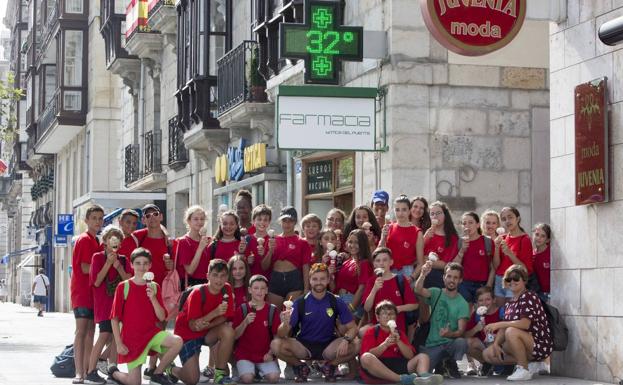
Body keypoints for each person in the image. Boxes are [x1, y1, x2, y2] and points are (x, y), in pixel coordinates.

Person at [271, 263, 360, 382]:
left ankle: (330, 366)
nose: (319, 282)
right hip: (304, 346)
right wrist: (285, 324)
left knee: (357, 344)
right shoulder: (300, 302)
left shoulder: (335, 301)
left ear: (328, 279)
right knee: (276, 345)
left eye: (322, 279)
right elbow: (281, 334)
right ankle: (301, 367)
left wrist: (346, 340)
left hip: (328, 346)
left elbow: (353, 328)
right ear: (310, 280)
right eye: (315, 279)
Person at [108, 248, 183, 385]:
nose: (141, 267)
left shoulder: (154, 287)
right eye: (138, 263)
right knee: (134, 382)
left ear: (150, 265)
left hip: (151, 334)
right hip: (132, 340)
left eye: (145, 263)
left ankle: (158, 373)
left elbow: (161, 317)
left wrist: (153, 298)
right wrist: (119, 343)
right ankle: (114, 372)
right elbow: (114, 318)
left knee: (177, 341)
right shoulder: (123, 286)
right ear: (131, 265)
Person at [482, 265, 553, 381]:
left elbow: (524, 324)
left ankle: (523, 369)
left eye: (516, 278)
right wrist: (496, 344)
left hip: (539, 344)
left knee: (511, 331)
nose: (512, 281)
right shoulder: (509, 303)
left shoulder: (529, 296)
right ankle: (533, 363)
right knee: (488, 354)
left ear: (524, 280)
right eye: (508, 279)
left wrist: (499, 324)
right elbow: (504, 327)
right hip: (525, 343)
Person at [172, 259, 236, 385]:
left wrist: (209, 324)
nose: (219, 280)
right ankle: (172, 369)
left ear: (227, 277)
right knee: (192, 379)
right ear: (207, 276)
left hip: (207, 330)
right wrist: (214, 313)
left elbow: (225, 317)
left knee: (228, 331)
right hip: (187, 334)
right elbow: (193, 327)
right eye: (215, 275)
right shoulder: (197, 293)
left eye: (223, 276)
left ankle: (219, 373)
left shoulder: (226, 289)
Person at [130, 204, 175, 379]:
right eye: (147, 216)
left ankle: (152, 366)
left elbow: (174, 263)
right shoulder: (138, 237)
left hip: (162, 288)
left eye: (155, 214)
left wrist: (170, 265)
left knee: (161, 325)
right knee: (144, 326)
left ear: (161, 216)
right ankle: (138, 365)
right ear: (143, 220)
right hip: (142, 289)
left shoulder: (168, 240)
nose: (152, 218)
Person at [86, 226, 132, 384]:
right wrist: (108, 263)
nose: (114, 243)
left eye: (117, 240)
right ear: (104, 242)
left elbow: (128, 281)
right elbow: (97, 281)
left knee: (116, 338)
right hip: (104, 304)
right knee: (104, 334)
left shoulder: (124, 260)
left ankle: (112, 369)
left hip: (120, 305)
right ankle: (91, 371)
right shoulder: (97, 257)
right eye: (110, 239)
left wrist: (118, 266)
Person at [359, 300, 443, 384]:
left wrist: (399, 341)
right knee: (366, 357)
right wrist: (385, 345)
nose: (388, 316)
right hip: (378, 367)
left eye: (391, 313)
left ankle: (424, 377)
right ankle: (400, 379)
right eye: (384, 313)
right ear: (378, 317)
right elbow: (367, 356)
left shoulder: (400, 333)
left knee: (423, 356)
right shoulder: (371, 331)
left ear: (395, 317)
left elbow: (410, 356)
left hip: (398, 364)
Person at [414, 261, 469, 379]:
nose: (451, 280)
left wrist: (449, 334)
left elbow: (461, 331)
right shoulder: (435, 292)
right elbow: (418, 290)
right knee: (422, 372)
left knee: (461, 342)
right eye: (449, 276)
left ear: (460, 280)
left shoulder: (462, 303)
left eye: (455, 277)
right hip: (431, 345)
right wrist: (423, 274)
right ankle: (441, 364)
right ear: (444, 278)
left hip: (449, 344)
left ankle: (450, 362)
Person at [71, 205, 105, 384]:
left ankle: (86, 370)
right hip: (82, 292)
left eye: (100, 218)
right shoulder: (84, 240)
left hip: (94, 293)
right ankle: (78, 372)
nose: (98, 221)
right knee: (81, 332)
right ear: (86, 220)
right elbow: (84, 267)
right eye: (94, 218)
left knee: (91, 331)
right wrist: (104, 268)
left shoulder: (97, 241)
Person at [233, 275, 281, 384]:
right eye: (256, 288)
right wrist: (245, 322)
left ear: (267, 290)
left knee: (274, 378)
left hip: (264, 354)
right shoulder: (243, 309)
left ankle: (258, 371)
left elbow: (276, 336)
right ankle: (250, 370)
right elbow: (235, 335)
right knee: (247, 379)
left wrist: (270, 353)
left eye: (263, 288)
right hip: (245, 354)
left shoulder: (272, 310)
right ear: (250, 290)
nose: (259, 291)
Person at [362, 247, 418, 335]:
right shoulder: (371, 282)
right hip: (378, 330)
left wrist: (397, 309)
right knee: (362, 332)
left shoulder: (400, 279)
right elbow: (367, 308)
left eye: (385, 260)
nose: (381, 263)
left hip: (397, 329)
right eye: (378, 260)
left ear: (391, 262)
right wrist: (374, 289)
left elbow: (414, 305)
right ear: (374, 264)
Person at [265, 206, 310, 307]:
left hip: (294, 280)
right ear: (280, 222)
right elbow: (264, 266)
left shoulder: (302, 242)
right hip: (276, 279)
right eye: (284, 220)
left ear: (295, 222)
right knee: (274, 314)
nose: (287, 223)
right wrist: (270, 251)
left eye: (291, 220)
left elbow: (305, 267)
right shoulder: (272, 240)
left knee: (291, 315)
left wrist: (306, 288)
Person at [493, 207, 533, 307]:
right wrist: (497, 249)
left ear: (518, 219)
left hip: (514, 280)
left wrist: (510, 253)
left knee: (511, 315)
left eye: (510, 217)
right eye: (504, 219)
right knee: (500, 314)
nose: (507, 221)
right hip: (499, 279)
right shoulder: (502, 238)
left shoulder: (525, 239)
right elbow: (496, 265)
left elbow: (525, 268)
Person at [453, 212, 494, 306]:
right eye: (464, 223)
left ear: (478, 224)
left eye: (470, 222)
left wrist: (489, 285)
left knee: (481, 314)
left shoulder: (487, 242)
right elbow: (454, 266)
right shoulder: (460, 242)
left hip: (482, 284)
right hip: (464, 284)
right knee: (466, 314)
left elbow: (493, 267)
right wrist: (462, 250)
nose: (467, 226)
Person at [379, 195, 424, 280]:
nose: (400, 213)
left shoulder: (417, 232)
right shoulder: (388, 228)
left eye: (404, 209)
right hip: (387, 270)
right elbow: (378, 253)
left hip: (406, 272)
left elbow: (420, 263)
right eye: (397, 210)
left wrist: (411, 278)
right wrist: (383, 238)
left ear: (409, 211)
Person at [332, 229, 372, 319]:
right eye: (350, 241)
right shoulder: (347, 261)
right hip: (340, 300)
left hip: (352, 302)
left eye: (356, 242)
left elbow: (362, 289)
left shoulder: (364, 263)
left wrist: (351, 308)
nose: (352, 245)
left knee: (342, 329)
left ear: (363, 244)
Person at [463, 287, 503, 377]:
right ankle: (487, 364)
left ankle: (508, 364)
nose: (484, 303)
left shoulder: (501, 312)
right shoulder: (477, 315)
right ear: (477, 303)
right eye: (481, 300)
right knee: (467, 342)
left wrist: (497, 337)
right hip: (484, 347)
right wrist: (476, 329)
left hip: (501, 346)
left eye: (488, 299)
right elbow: (465, 335)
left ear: (494, 300)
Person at [422, 202, 458, 288]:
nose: (435, 216)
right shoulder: (423, 233)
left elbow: (445, 264)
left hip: (439, 277)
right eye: (432, 214)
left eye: (439, 213)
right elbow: (416, 255)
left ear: (445, 215)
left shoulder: (452, 238)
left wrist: (425, 259)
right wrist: (425, 238)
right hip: (421, 274)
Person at [177, 206, 211, 288]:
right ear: (188, 221)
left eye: (202, 219)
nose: (199, 222)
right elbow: (190, 271)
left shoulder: (208, 240)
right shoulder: (183, 241)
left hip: (207, 284)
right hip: (191, 285)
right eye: (196, 219)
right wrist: (200, 248)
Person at [247, 204, 274, 279]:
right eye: (259, 219)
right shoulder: (247, 239)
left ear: (269, 222)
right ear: (253, 221)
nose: (262, 222)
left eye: (265, 220)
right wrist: (248, 262)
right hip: (250, 282)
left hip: (267, 282)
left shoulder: (272, 241)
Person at [532, 224, 551, 302]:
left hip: (550, 294)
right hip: (537, 294)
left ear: (547, 240)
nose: (538, 238)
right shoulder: (531, 254)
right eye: (537, 234)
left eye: (543, 236)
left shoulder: (551, 253)